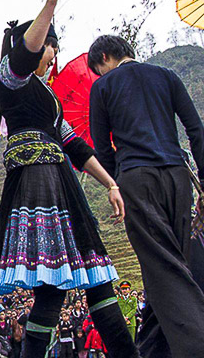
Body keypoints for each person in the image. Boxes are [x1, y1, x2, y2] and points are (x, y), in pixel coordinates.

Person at [0, 0, 137, 358]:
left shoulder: (48, 100)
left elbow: (76, 147)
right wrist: (50, 1)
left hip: (62, 186)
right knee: (53, 289)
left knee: (90, 284)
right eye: (52, 47)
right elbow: (25, 54)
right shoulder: (11, 78)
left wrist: (111, 184)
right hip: (38, 185)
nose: (53, 55)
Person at [87, 34, 204, 358]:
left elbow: (100, 147)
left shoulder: (103, 87)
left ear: (106, 56)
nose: (100, 75)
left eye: (100, 69)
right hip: (177, 178)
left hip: (138, 181)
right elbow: (195, 129)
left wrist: (115, 184)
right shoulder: (167, 76)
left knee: (165, 269)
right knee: (169, 265)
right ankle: (152, 351)